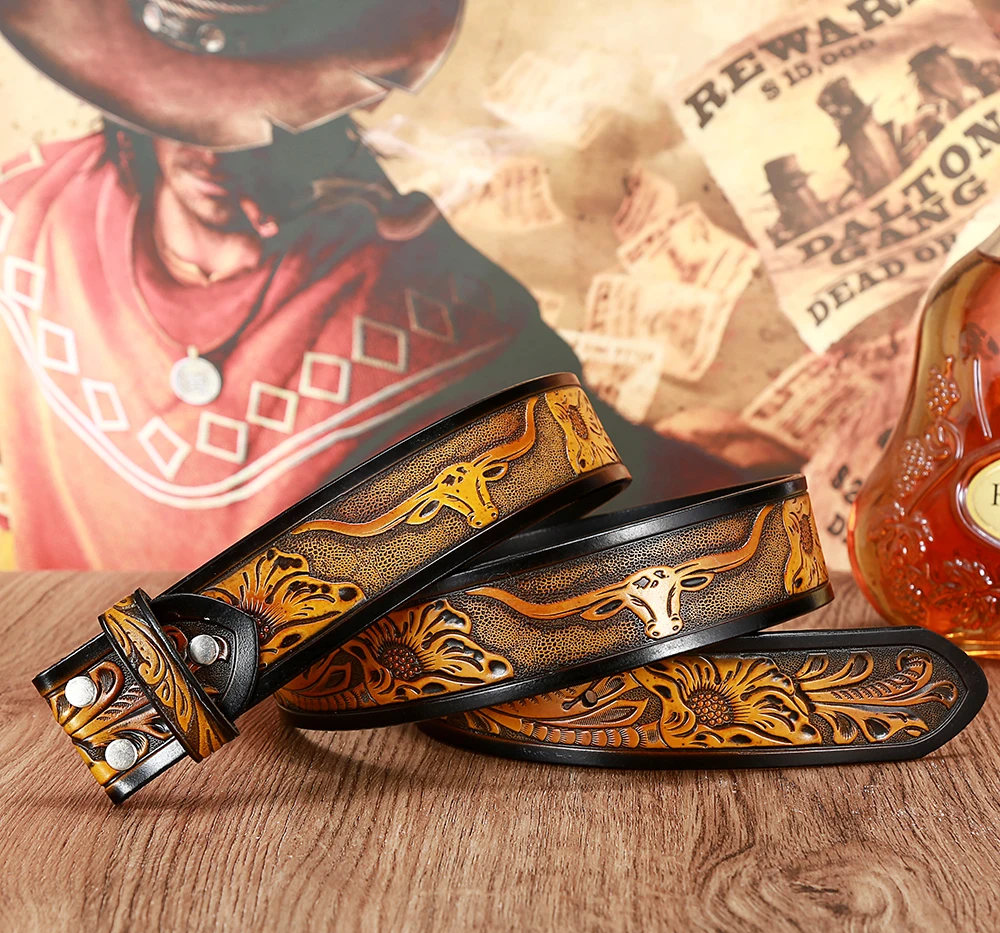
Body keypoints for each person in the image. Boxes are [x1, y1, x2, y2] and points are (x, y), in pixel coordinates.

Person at [0, 0, 739, 570]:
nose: (212, 147)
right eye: (183, 101)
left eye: (247, 111)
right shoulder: (27, 214)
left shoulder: (437, 305)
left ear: (319, 105)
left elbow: (609, 499)